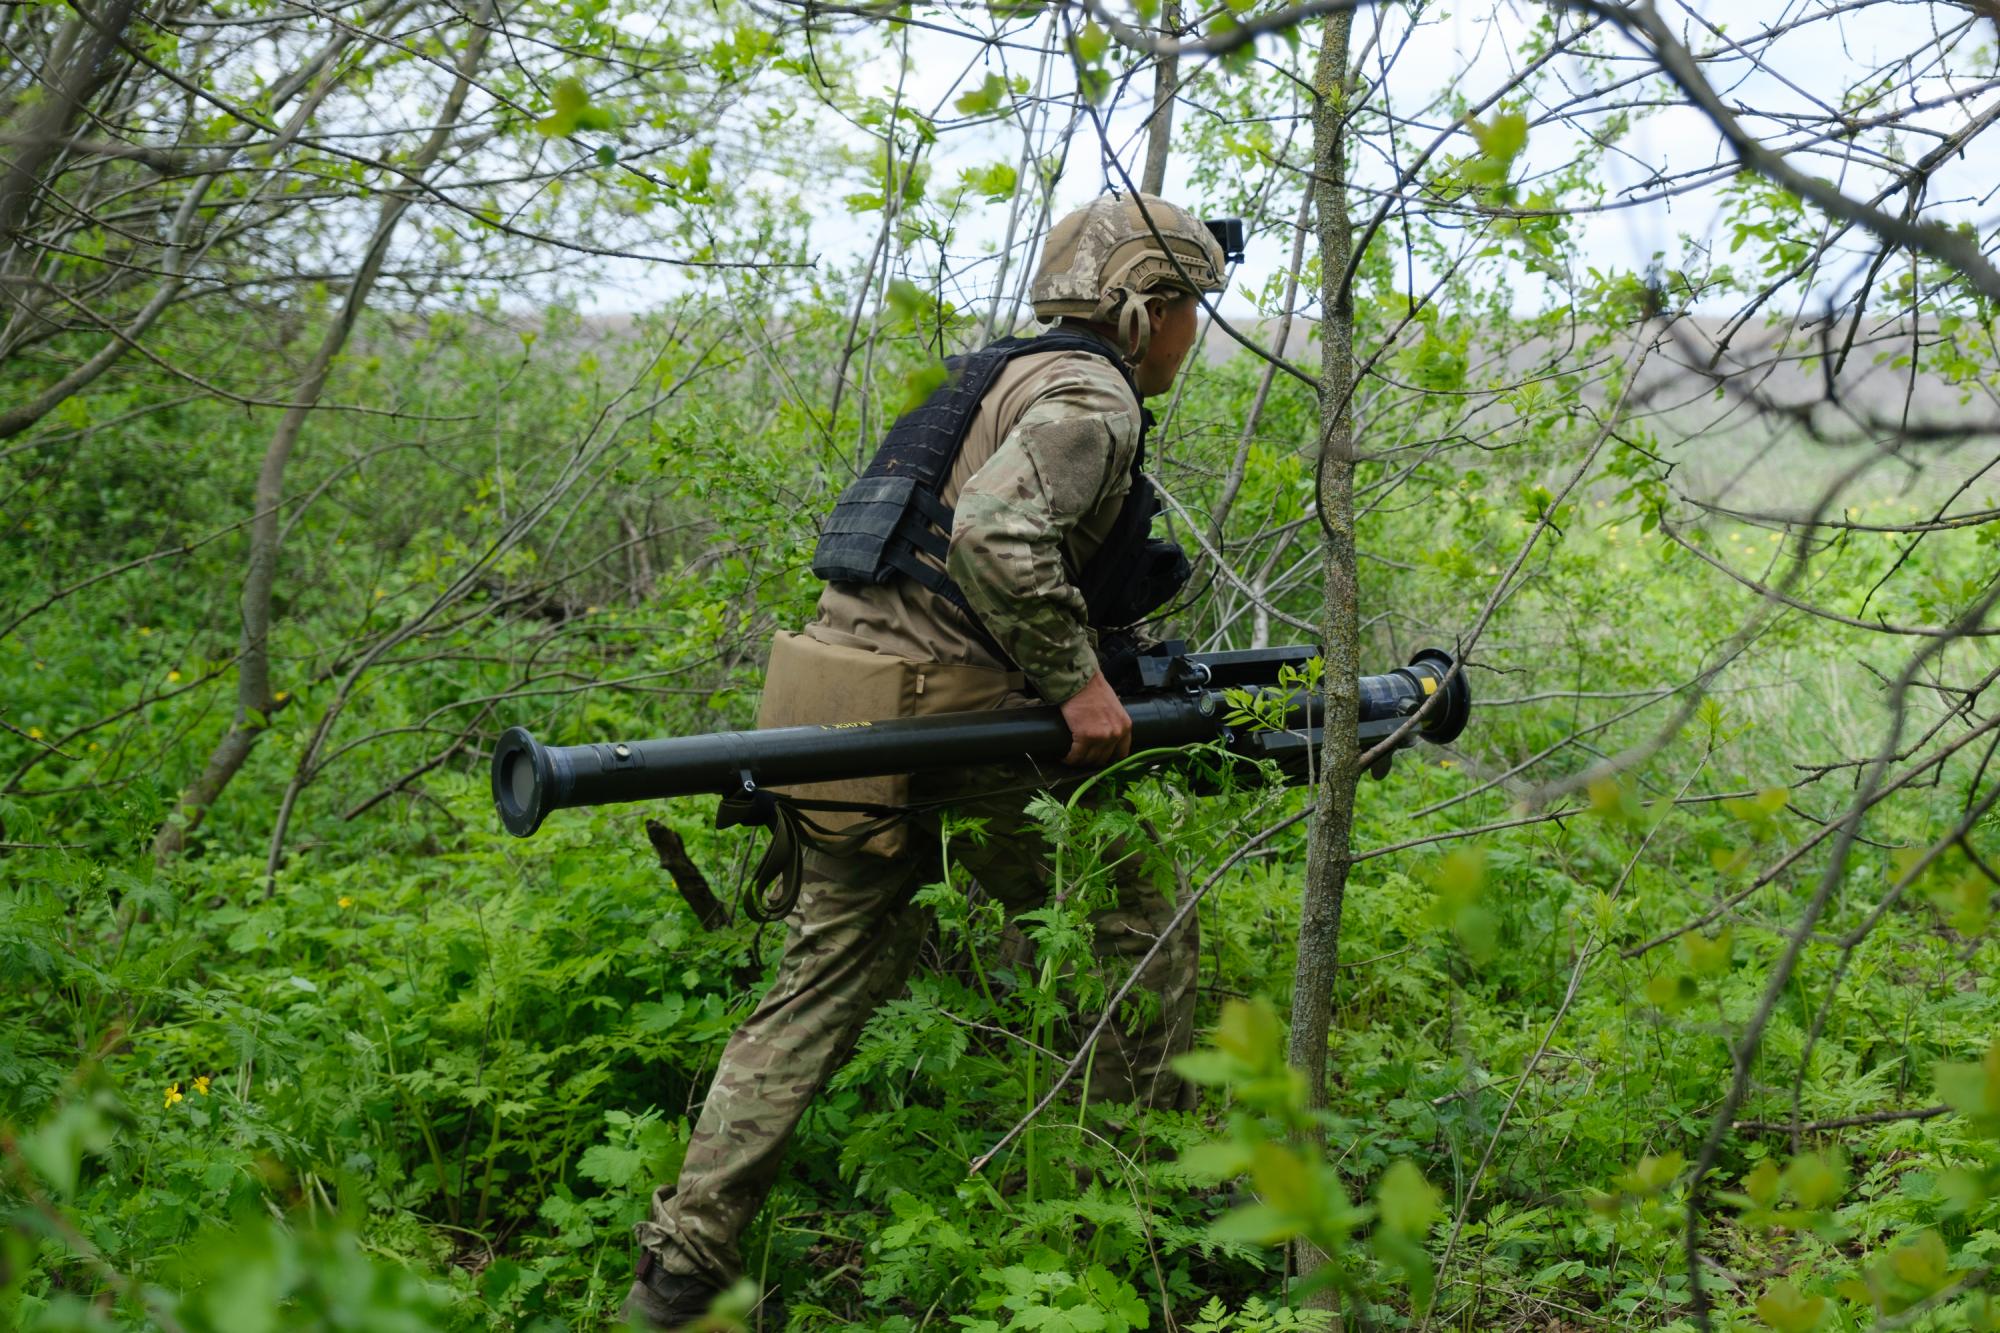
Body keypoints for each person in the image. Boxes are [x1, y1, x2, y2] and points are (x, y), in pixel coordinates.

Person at [621, 192, 1230, 1328]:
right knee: (1135, 927)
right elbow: (996, 540)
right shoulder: (1086, 393)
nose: (1194, 333)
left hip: (834, 701)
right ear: (1142, 307)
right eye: (1190, 306)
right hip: (954, 720)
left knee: (818, 983)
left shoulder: (991, 374)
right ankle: (1128, 1218)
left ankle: (679, 1275)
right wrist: (1078, 683)